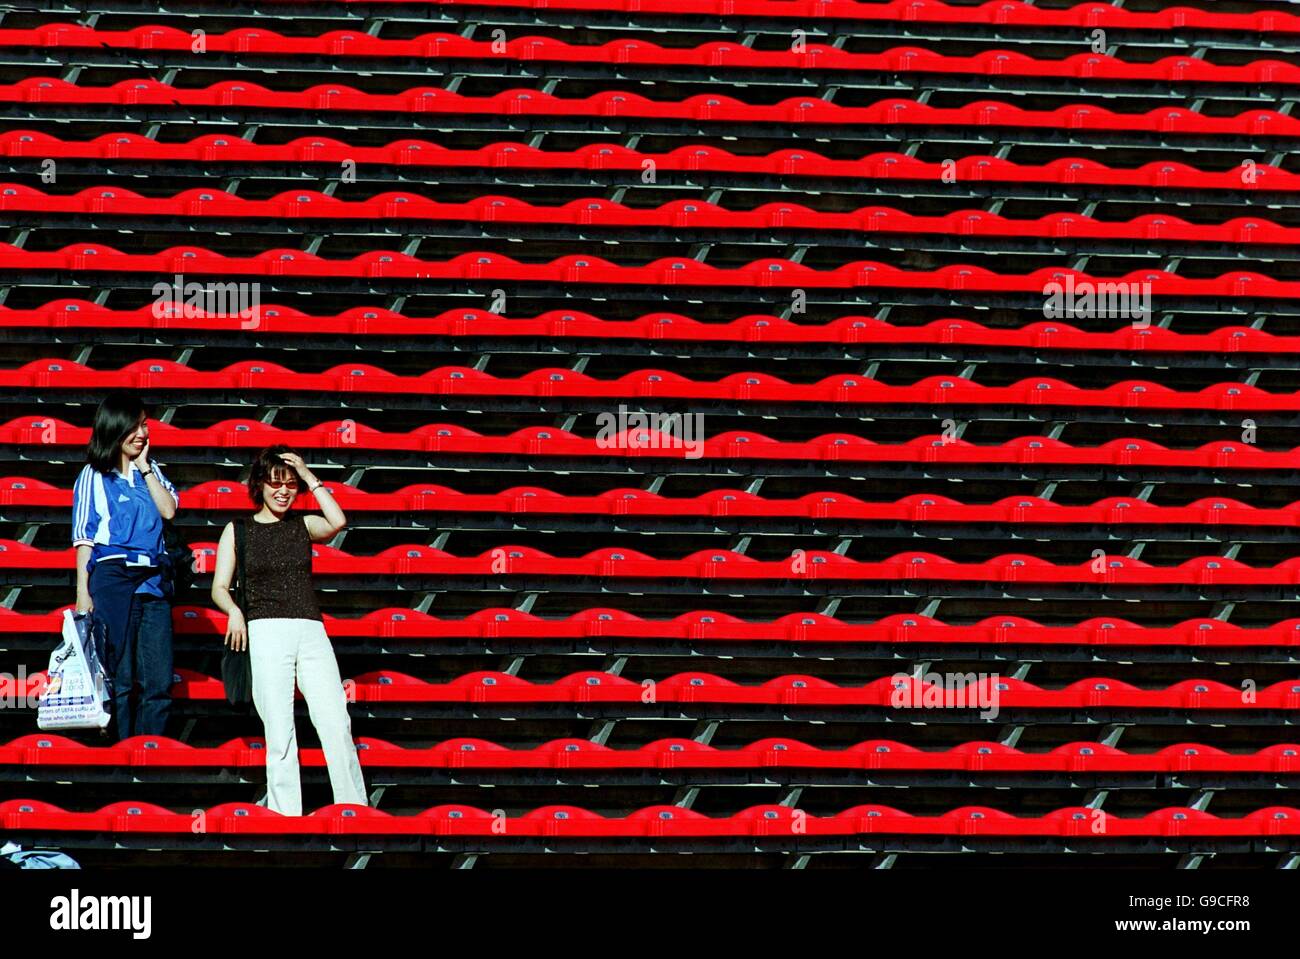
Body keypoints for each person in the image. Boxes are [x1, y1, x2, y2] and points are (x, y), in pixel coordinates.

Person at [210, 445, 367, 816]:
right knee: (279, 727)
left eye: (290, 484)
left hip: (311, 630)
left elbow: (338, 521)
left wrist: (311, 477)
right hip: (265, 630)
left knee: (335, 720)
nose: (283, 491)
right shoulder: (239, 529)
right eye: (275, 483)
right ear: (259, 485)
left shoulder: (303, 525)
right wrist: (233, 611)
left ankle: (354, 807)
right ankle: (285, 812)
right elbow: (219, 586)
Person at [72, 393, 178, 740]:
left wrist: (146, 468)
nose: (141, 433)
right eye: (133, 425)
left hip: (153, 580)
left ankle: (152, 753)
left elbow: (169, 511)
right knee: (118, 676)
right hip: (113, 578)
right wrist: (82, 594)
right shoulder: (93, 475)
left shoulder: (153, 472)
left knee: (157, 681)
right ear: (114, 428)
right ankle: (119, 755)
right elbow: (85, 538)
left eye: (145, 424)